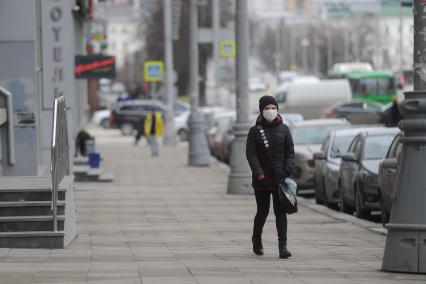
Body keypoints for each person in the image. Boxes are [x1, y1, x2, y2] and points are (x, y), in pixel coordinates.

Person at [246, 95, 295, 259]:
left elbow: (290, 152)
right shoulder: (255, 131)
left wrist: (288, 168)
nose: (271, 111)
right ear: (261, 110)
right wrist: (258, 172)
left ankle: (283, 247)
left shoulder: (284, 129)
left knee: (280, 212)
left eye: (273, 108)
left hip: (280, 178)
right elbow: (251, 154)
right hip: (261, 180)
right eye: (267, 108)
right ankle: (256, 240)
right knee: (263, 211)